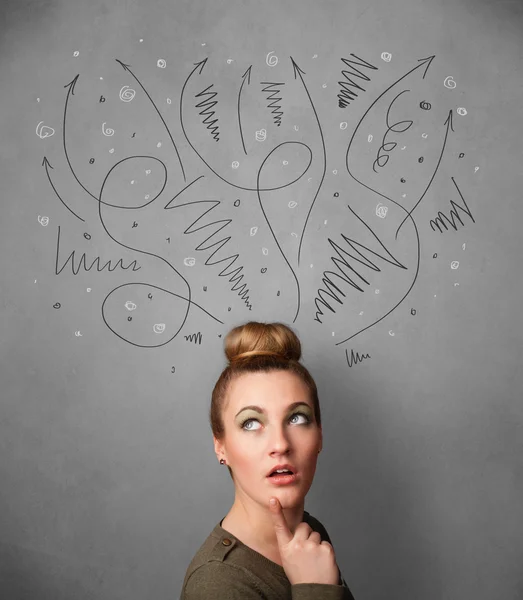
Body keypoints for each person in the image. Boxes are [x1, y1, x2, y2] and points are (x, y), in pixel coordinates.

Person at [180, 321, 356, 599]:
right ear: (221, 446)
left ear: (319, 435)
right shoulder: (218, 586)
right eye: (251, 423)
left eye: (297, 418)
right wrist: (317, 592)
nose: (280, 444)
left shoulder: (308, 538)